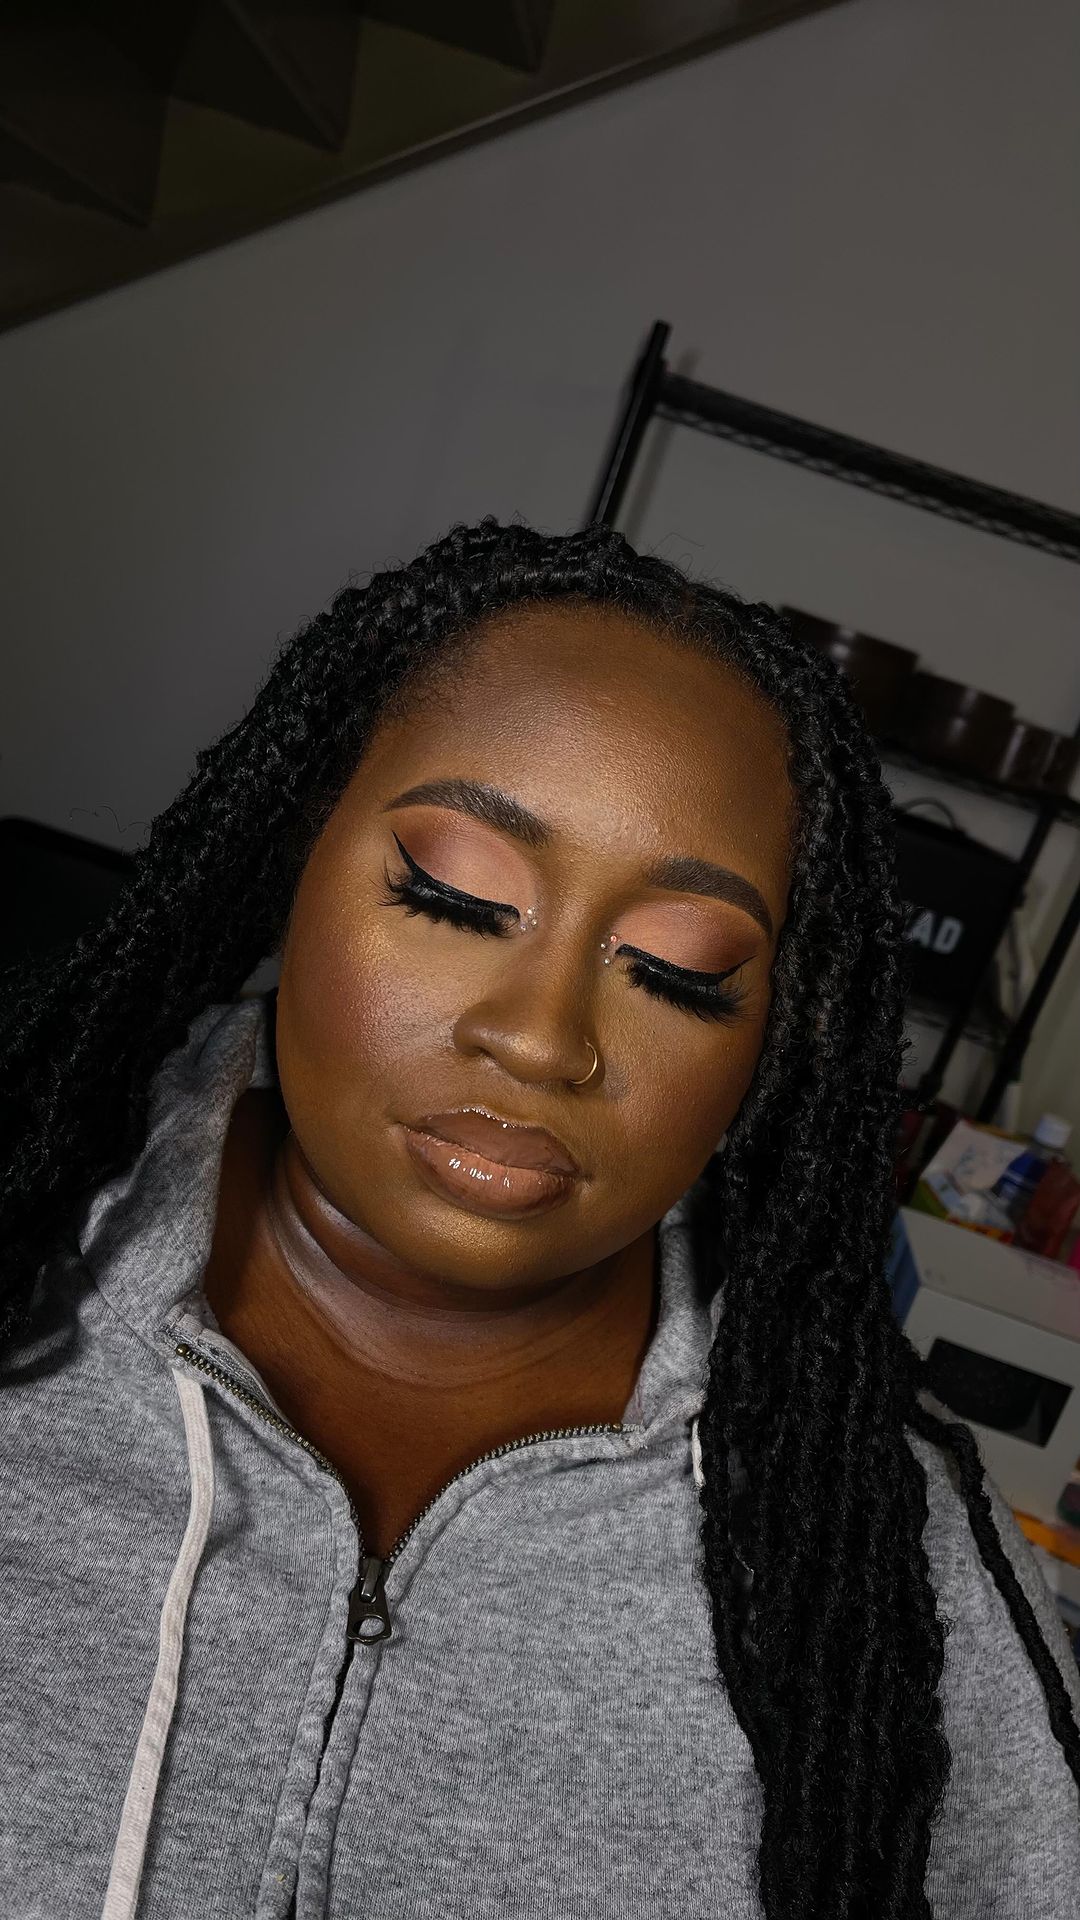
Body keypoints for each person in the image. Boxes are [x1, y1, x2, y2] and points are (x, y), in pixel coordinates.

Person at [1, 517, 1077, 1920]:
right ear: (290, 856)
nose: (542, 1037)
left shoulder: (883, 1569)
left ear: (771, 1045)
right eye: (454, 896)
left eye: (679, 970)